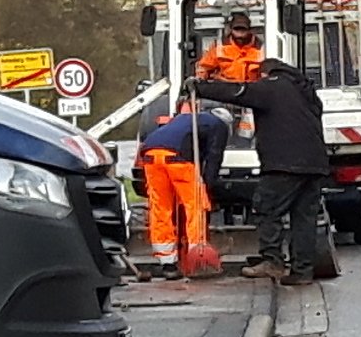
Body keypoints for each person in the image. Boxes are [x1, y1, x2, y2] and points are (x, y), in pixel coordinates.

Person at [192, 51, 334, 278]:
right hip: (315, 164)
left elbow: (238, 92)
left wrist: (200, 88)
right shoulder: (305, 91)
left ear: (265, 73)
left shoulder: (271, 86)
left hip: (283, 163)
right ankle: (302, 271)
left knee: (267, 209)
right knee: (303, 218)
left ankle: (272, 261)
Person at [136, 104, 226, 276]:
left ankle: (167, 262)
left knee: (160, 208)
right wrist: (207, 185)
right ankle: (198, 257)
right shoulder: (219, 125)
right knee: (195, 204)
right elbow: (214, 157)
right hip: (178, 158)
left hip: (150, 153)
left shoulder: (188, 120)